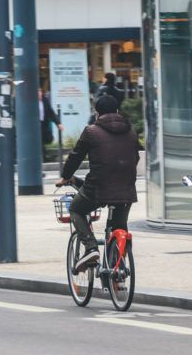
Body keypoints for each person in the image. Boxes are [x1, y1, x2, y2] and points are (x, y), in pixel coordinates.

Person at [55, 95, 142, 272]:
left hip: (98, 189)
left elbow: (75, 157)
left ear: (97, 113)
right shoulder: (131, 131)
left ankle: (91, 247)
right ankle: (119, 269)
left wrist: (66, 176)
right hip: (126, 189)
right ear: (117, 111)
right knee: (119, 225)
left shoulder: (91, 131)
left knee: (76, 209)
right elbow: (135, 157)